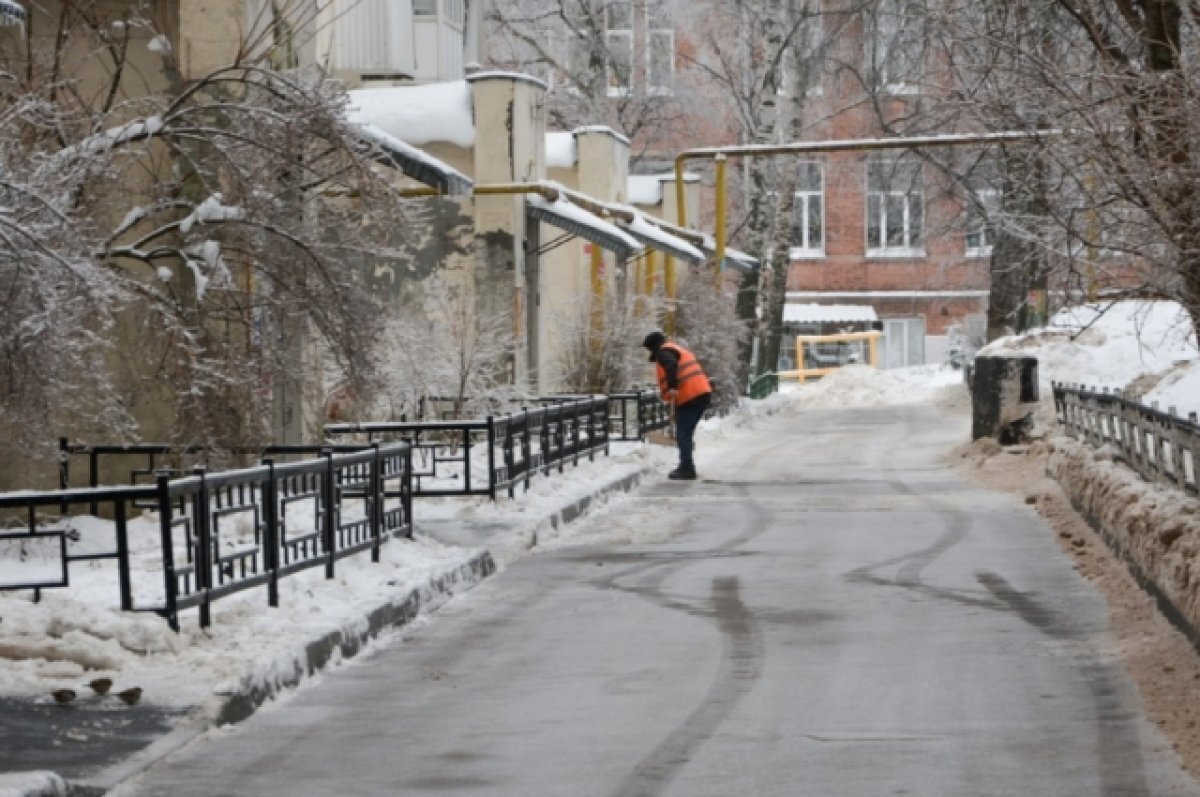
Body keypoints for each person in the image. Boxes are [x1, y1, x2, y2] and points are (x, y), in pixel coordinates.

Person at [642, 331, 712, 480]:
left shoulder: (663, 352)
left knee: (683, 434)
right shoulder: (675, 348)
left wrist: (673, 386)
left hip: (690, 395)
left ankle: (687, 468)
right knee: (685, 432)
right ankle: (686, 464)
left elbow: (671, 365)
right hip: (702, 393)